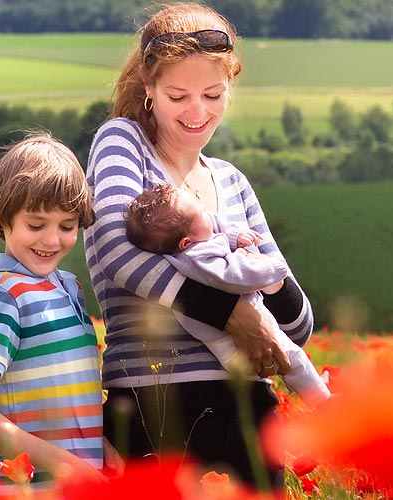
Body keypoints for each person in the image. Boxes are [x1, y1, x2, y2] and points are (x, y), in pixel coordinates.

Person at [84, 2, 315, 490]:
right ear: (148, 90)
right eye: (178, 95)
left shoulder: (232, 181)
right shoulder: (123, 143)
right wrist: (237, 310)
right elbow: (116, 253)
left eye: (212, 94)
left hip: (250, 413)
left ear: (231, 87)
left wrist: (267, 286)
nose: (197, 112)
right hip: (154, 404)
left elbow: (299, 325)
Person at [0, 133, 115, 495]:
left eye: (67, 226)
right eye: (36, 225)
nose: (52, 240)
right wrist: (63, 463)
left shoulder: (68, 288)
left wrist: (99, 450)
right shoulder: (6, 296)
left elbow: (69, 395)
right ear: (4, 217)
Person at [124, 184, 330, 401]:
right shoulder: (199, 258)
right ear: (186, 242)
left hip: (236, 345)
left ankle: (312, 386)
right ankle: (322, 400)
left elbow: (216, 233)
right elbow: (236, 277)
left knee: (291, 362)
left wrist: (234, 237)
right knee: (292, 358)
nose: (207, 213)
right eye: (201, 213)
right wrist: (272, 268)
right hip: (234, 349)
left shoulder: (190, 246)